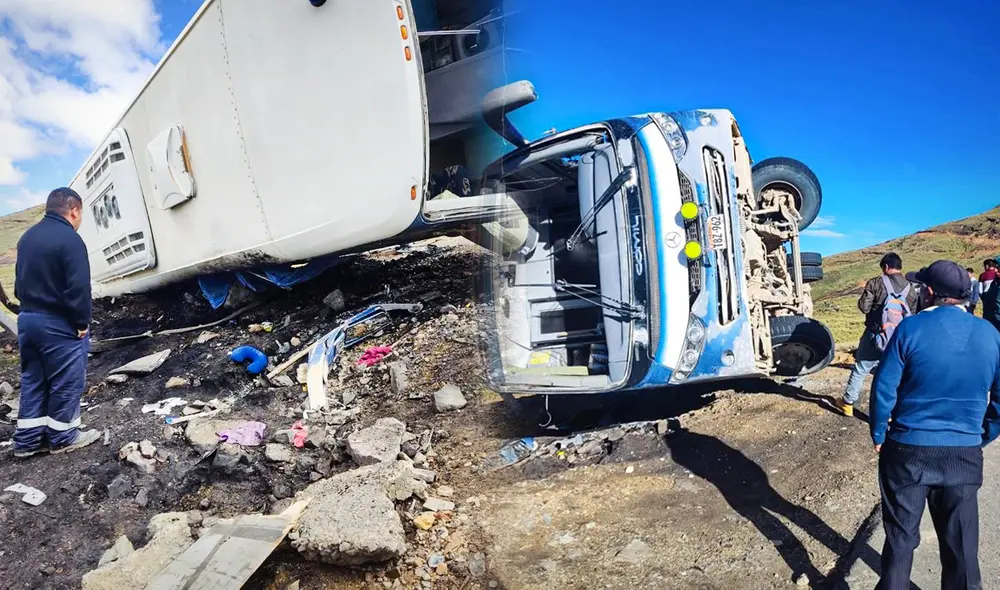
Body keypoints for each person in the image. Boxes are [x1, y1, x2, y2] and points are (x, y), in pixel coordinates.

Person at [870, 259, 1000, 589]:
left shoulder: (910, 329)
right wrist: (982, 435)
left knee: (900, 543)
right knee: (962, 549)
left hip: (908, 450)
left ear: (928, 293)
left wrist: (879, 432)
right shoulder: (990, 334)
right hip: (963, 452)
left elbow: (884, 386)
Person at [12, 188, 100, 458]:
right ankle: (63, 436)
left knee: (34, 379)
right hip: (57, 323)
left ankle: (27, 441)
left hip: (27, 320)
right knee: (66, 379)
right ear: (74, 210)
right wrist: (82, 321)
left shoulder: (27, 238)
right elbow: (78, 288)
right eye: (80, 214)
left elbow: (18, 286)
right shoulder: (70, 240)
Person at [838, 253, 918, 417]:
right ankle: (890, 412)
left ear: (886, 267)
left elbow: (864, 307)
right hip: (898, 339)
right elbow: (913, 314)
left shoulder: (876, 282)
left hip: (875, 334)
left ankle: (847, 403)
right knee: (895, 374)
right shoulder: (910, 289)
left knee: (861, 368)